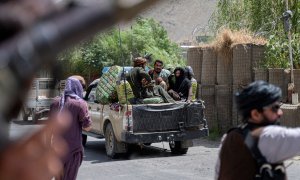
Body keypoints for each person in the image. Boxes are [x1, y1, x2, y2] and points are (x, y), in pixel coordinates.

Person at [215, 80, 300, 180]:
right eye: (275, 108)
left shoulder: (229, 137)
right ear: (256, 114)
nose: (280, 112)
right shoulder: (268, 137)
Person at [50, 76, 92, 180]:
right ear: (78, 87)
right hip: (73, 150)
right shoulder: (80, 104)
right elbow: (87, 127)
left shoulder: (55, 102)